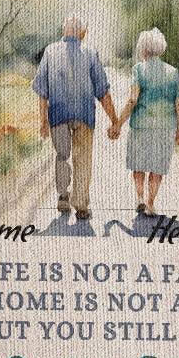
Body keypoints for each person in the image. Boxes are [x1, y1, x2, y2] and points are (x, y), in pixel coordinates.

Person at [32, 15, 119, 221]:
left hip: (58, 115)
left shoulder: (50, 52)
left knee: (62, 155)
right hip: (84, 116)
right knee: (83, 159)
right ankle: (80, 205)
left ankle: (63, 196)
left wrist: (43, 122)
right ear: (82, 33)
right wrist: (114, 120)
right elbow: (103, 92)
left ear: (64, 31)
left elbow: (42, 91)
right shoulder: (90, 54)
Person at [111, 28, 179, 216]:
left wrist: (118, 123)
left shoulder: (138, 69)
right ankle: (151, 204)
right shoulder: (173, 72)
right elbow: (178, 104)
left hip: (141, 126)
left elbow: (133, 99)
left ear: (143, 49)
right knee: (157, 168)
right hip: (165, 127)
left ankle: (140, 198)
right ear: (161, 48)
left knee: (139, 165)